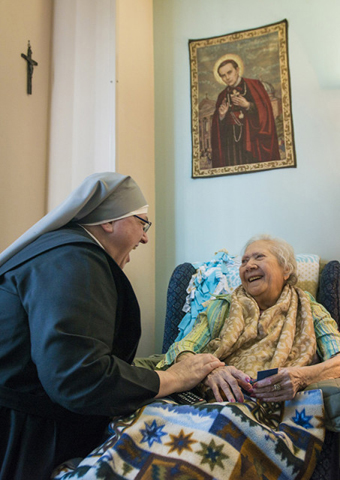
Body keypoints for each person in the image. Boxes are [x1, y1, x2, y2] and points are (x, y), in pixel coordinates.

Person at [0, 172, 223, 480]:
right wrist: (172, 378)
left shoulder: (59, 250)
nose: (145, 237)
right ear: (108, 223)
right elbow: (79, 377)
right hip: (25, 436)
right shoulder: (78, 260)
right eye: (142, 224)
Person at [158, 235, 340, 404]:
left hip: (282, 404)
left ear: (286, 270)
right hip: (217, 400)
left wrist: (301, 377)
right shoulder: (222, 307)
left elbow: (337, 358)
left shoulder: (310, 308)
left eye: (259, 257)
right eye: (244, 261)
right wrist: (208, 372)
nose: (248, 265)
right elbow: (182, 348)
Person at [211, 59, 281, 168]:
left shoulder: (254, 85)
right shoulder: (222, 96)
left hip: (252, 139)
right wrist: (222, 116)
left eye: (229, 72)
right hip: (231, 143)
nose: (227, 78)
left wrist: (248, 105)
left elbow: (265, 112)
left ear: (237, 70)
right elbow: (217, 128)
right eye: (223, 76)